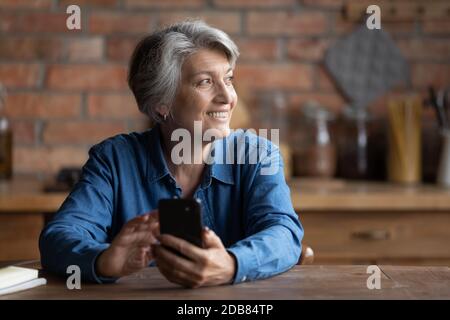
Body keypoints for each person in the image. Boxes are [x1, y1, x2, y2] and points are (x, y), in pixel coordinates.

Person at [39, 20, 303, 288]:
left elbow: (284, 233)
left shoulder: (259, 155)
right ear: (162, 103)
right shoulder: (114, 160)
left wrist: (233, 264)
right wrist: (103, 260)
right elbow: (59, 237)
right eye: (205, 82)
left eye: (228, 79)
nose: (227, 97)